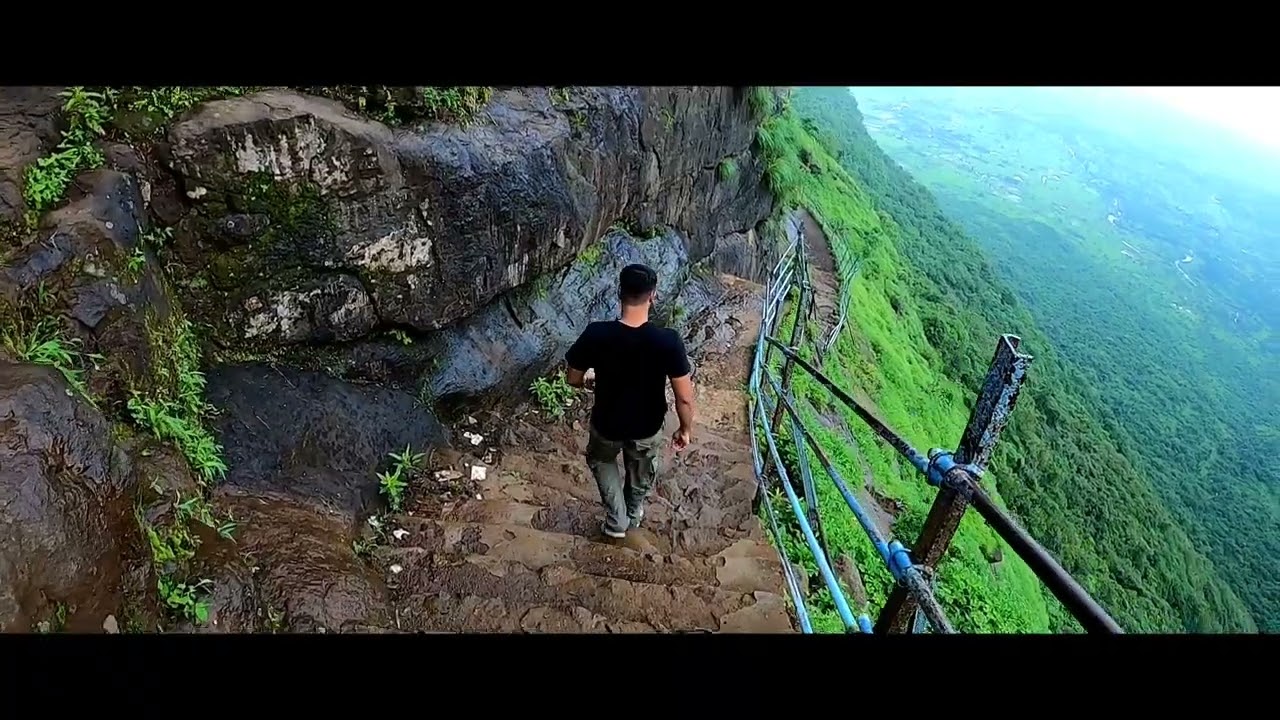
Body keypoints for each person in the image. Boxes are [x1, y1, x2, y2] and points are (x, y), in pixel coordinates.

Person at [564, 263, 695, 539]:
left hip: (606, 425)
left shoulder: (596, 334)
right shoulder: (667, 341)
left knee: (602, 461)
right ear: (653, 296)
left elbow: (572, 378)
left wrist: (589, 379)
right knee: (641, 470)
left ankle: (616, 521)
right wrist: (684, 429)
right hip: (646, 428)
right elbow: (684, 398)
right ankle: (632, 514)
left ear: (619, 293)